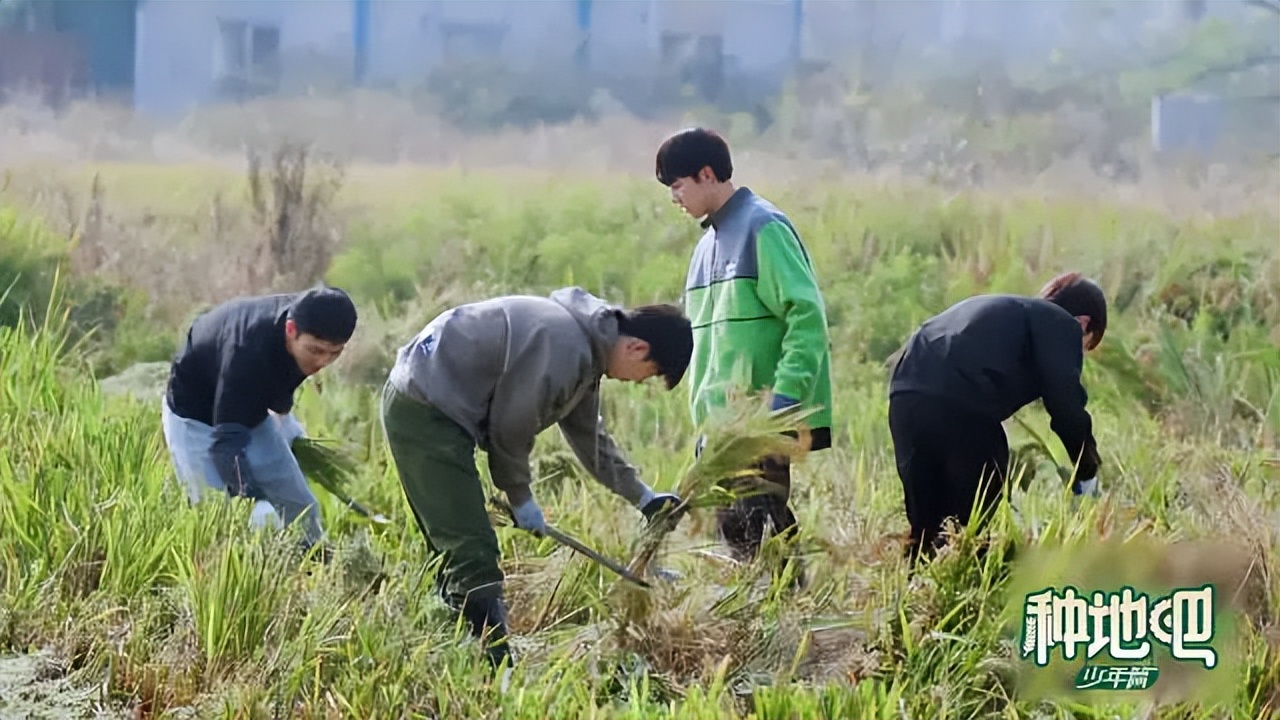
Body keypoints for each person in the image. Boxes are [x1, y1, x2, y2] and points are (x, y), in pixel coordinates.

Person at [380, 286, 693, 668]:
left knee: (458, 544)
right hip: (424, 404)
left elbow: (588, 437)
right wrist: (520, 497)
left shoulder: (587, 348)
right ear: (638, 349)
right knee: (470, 549)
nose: (638, 382)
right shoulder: (564, 346)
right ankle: (495, 667)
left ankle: (458, 646)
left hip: (435, 403)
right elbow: (511, 428)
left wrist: (643, 497)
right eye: (649, 375)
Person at [654, 127, 834, 579]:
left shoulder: (763, 227)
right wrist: (704, 429)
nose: (674, 198)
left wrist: (782, 401)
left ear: (707, 174)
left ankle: (797, 636)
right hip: (720, 430)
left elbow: (807, 319)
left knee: (763, 534)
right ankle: (769, 633)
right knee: (739, 541)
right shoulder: (703, 249)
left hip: (759, 422)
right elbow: (707, 350)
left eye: (677, 185)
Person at [887, 272, 1108, 562]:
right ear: (1083, 324)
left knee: (927, 528)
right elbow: (1066, 405)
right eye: (1085, 347)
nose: (1078, 356)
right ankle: (994, 578)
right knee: (968, 525)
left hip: (905, 398)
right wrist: (1086, 472)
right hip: (961, 404)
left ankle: (917, 593)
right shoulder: (1061, 324)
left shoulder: (1009, 311)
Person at [161, 285, 358, 555]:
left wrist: (285, 423)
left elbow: (281, 386)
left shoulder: (306, 316)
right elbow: (226, 445)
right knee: (220, 516)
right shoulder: (246, 355)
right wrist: (251, 495)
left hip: (250, 412)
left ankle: (316, 562)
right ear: (291, 331)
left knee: (301, 507)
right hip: (194, 419)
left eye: (334, 353)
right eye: (316, 351)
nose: (323, 361)